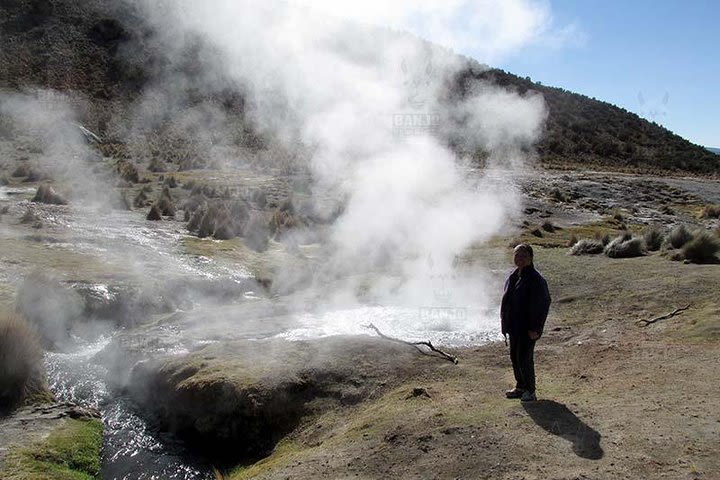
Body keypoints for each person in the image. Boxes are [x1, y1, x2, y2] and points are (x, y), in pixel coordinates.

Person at [500, 244, 551, 402]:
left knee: (525, 358)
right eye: (516, 255)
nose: (519, 258)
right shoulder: (514, 275)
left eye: (523, 255)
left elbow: (544, 303)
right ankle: (520, 386)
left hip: (527, 328)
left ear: (530, 257)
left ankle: (530, 390)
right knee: (515, 357)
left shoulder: (535, 279)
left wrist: (536, 328)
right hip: (514, 326)